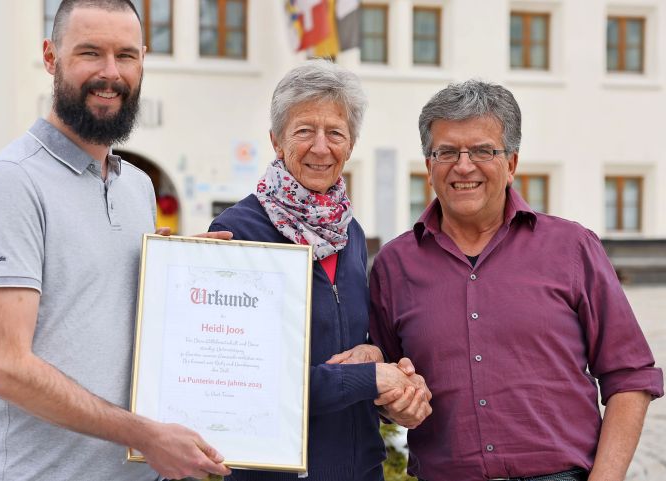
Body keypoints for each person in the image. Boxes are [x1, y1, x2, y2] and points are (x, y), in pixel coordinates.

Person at [0, 1, 231, 480]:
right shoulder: (11, 182)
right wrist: (143, 435)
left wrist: (180, 273)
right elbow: (5, 367)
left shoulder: (137, 187)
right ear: (50, 56)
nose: (110, 73)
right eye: (90, 53)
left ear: (143, 61)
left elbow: (103, 314)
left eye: (126, 56)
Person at [370, 79, 664, 481]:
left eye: (482, 151)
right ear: (428, 166)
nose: (463, 165)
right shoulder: (393, 265)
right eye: (447, 152)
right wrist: (393, 402)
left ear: (511, 163)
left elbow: (630, 376)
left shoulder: (572, 247)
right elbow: (385, 384)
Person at [209, 59, 433, 481]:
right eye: (304, 130)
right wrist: (370, 378)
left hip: (362, 469)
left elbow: (340, 342)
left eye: (335, 133)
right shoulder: (237, 233)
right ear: (277, 141)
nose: (320, 146)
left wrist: (375, 356)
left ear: (350, 146)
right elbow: (247, 381)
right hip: (278, 473)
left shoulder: (349, 233)